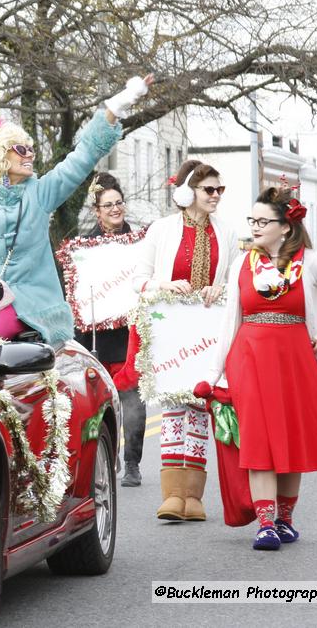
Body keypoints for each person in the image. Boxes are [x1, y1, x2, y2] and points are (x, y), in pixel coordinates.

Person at [0, 75, 154, 342]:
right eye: (20, 149)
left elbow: (82, 156)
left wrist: (118, 104)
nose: (29, 154)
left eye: (31, 149)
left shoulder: (39, 191)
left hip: (31, 306)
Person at [207, 187, 317, 550]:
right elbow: (230, 320)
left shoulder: (310, 261)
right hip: (249, 359)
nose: (256, 227)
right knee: (258, 437)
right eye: (252, 220)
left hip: (294, 359)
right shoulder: (242, 264)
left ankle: (285, 519)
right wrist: (215, 372)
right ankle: (265, 524)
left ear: (285, 227)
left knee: (289, 437)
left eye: (263, 221)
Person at [118, 159, 239, 521]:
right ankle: (172, 494)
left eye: (220, 190)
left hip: (207, 329)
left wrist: (221, 289)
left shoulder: (228, 232)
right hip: (170, 329)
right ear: (189, 192)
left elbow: (234, 279)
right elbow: (138, 279)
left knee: (201, 407)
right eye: (209, 190)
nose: (216, 196)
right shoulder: (162, 229)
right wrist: (165, 284)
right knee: (174, 407)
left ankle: (193, 497)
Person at [73, 174, 145, 487]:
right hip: (98, 338)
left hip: (130, 336)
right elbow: (77, 292)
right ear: (97, 210)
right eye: (108, 205)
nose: (115, 209)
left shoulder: (140, 243)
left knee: (133, 403)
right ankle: (108, 456)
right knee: (101, 405)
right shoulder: (84, 247)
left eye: (118, 203)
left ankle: (132, 463)